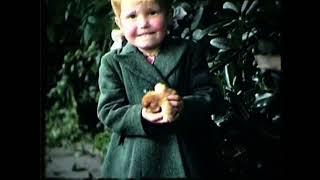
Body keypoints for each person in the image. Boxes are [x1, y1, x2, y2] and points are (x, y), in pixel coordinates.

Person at [97, 0, 222, 178]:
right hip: (134, 158)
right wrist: (139, 115)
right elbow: (109, 110)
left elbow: (210, 95)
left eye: (153, 13)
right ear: (120, 24)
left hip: (186, 151)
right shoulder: (113, 63)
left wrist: (183, 106)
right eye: (132, 16)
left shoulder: (189, 52)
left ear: (169, 16)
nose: (143, 23)